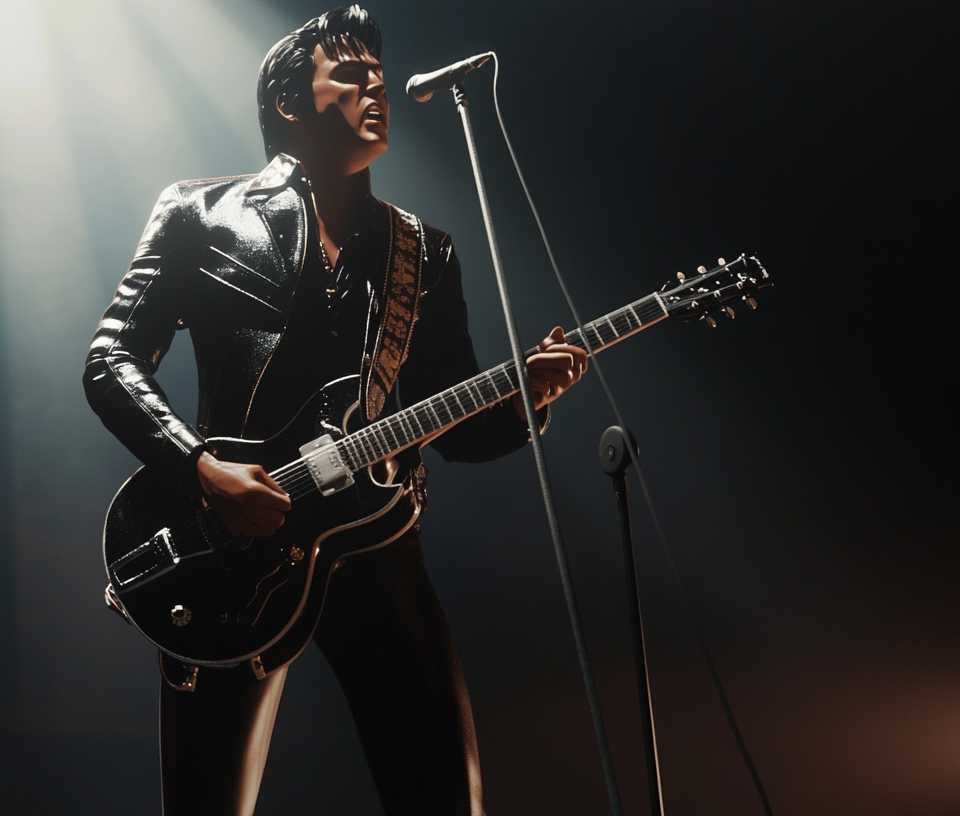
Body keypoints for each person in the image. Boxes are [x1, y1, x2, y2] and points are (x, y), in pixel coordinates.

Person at [83, 6, 586, 814]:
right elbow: (109, 361)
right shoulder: (199, 212)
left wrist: (529, 399)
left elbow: (450, 427)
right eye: (350, 75)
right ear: (290, 100)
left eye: (380, 76)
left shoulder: (425, 250)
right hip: (227, 549)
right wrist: (202, 470)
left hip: (378, 543)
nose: (375, 87)